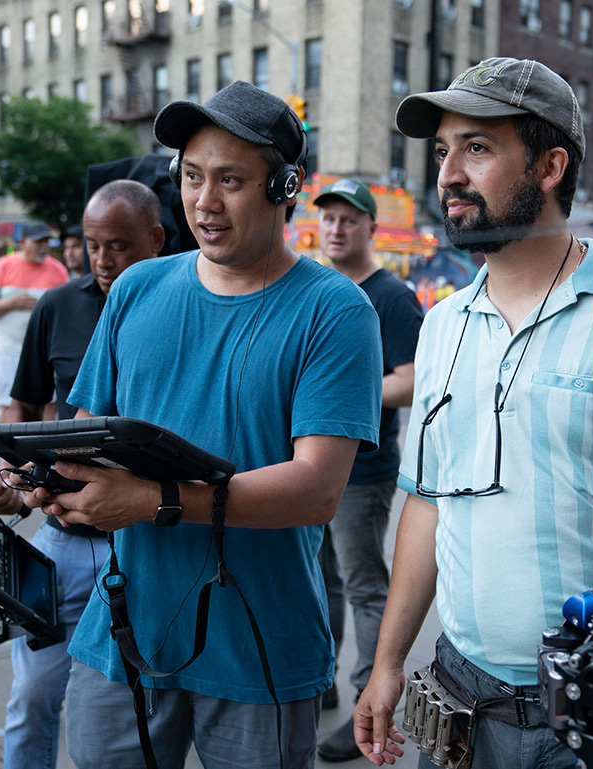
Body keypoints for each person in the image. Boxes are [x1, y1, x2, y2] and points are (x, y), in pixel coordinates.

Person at [26, 81, 383, 768]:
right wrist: (46, 476)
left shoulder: (336, 311)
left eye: (230, 180)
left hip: (260, 645)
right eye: (191, 176)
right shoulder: (136, 288)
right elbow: (87, 429)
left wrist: (154, 501)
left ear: (285, 186)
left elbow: (316, 489)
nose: (204, 202)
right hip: (126, 634)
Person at [354, 58, 593, 767]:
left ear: (551, 165)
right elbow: (425, 504)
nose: (447, 176)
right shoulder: (442, 325)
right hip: (468, 703)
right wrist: (386, 662)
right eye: (442, 152)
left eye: (477, 147)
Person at [0, 180, 165, 769]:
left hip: (145, 545)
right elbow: (24, 408)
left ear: (156, 241)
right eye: (91, 245)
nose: (104, 260)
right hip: (61, 536)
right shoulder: (57, 306)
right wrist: (10, 477)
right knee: (33, 695)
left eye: (120, 245)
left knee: (128, 711)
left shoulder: (180, 306)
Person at [313, 178, 424, 762]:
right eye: (328, 219)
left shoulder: (392, 295)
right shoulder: (319, 289)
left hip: (363, 470)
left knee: (362, 584)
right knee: (322, 579)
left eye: (348, 220)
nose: (335, 228)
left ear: (370, 229)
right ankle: (322, 679)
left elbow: (410, 381)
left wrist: (337, 395)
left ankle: (367, 702)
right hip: (310, 467)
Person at [0, 222, 69, 418]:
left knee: (49, 404)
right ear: (22, 242)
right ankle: (9, 448)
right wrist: (11, 303)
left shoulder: (58, 270)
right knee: (10, 406)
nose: (44, 246)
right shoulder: (3, 266)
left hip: (46, 353)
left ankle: (45, 448)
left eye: (46, 241)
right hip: (11, 351)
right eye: (38, 241)